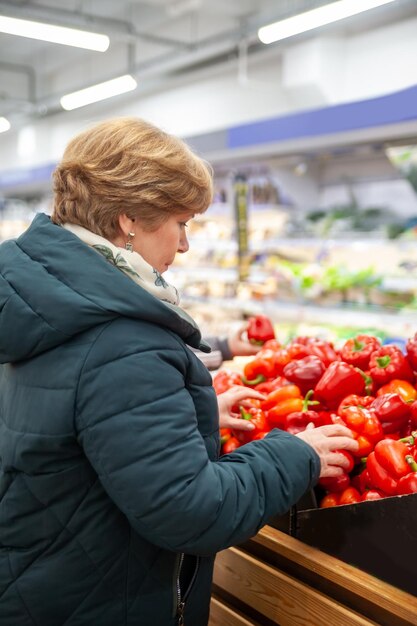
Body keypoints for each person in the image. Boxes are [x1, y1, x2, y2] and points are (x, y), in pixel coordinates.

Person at [0, 117, 358, 626]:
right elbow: (191, 512)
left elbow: (77, 430)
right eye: (181, 222)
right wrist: (294, 453)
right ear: (129, 219)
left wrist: (192, 414)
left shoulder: (45, 303)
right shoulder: (120, 335)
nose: (186, 245)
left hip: (47, 583)